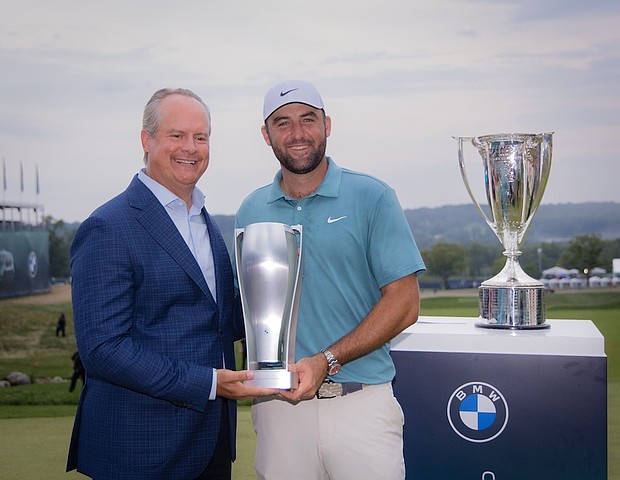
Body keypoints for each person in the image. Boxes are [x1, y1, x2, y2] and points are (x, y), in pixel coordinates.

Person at [67, 88, 278, 480]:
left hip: (210, 445)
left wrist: (282, 293)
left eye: (201, 137)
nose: (191, 148)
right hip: (140, 451)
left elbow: (217, 321)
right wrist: (209, 383)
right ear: (147, 140)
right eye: (177, 135)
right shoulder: (107, 227)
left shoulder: (205, 222)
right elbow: (103, 349)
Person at [235, 80, 426, 480]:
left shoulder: (372, 195)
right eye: (282, 123)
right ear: (266, 134)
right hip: (279, 408)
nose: (298, 133)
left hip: (360, 403)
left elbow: (405, 303)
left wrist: (327, 360)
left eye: (309, 119)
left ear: (327, 125)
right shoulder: (251, 209)